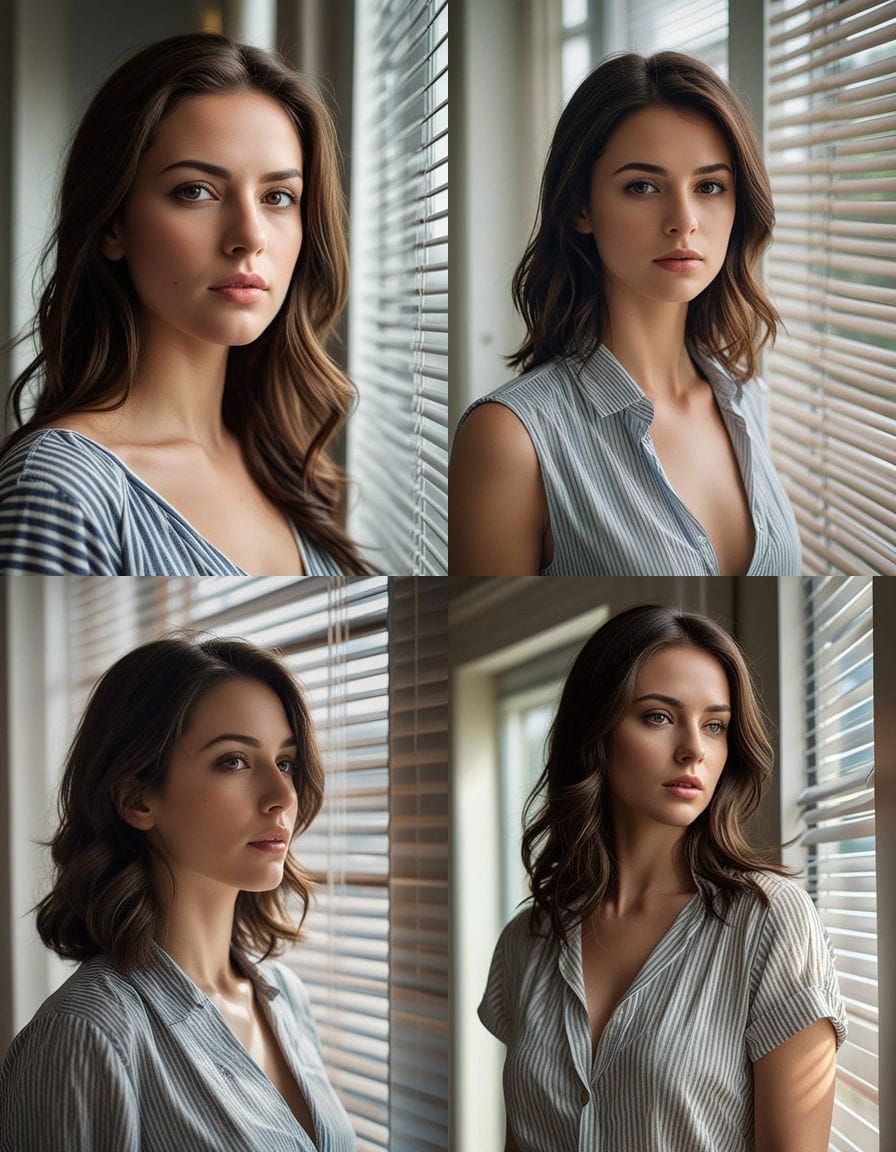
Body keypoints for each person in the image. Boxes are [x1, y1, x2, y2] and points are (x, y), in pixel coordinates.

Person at [0, 32, 373, 576]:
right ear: (113, 225)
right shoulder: (60, 491)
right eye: (195, 190)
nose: (250, 236)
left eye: (277, 197)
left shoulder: (284, 463)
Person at [479, 604, 846, 1152]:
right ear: (596, 731)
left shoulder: (771, 922)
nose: (694, 749)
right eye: (658, 716)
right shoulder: (526, 941)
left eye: (715, 726)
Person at [0, 634, 356, 1152]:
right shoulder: (85, 1036)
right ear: (137, 799)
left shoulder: (285, 998)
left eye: (285, 762)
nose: (283, 796)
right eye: (234, 761)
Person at [450, 52, 801, 577]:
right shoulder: (510, 439)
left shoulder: (747, 399)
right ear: (581, 208)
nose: (683, 221)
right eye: (642, 186)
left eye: (709, 186)